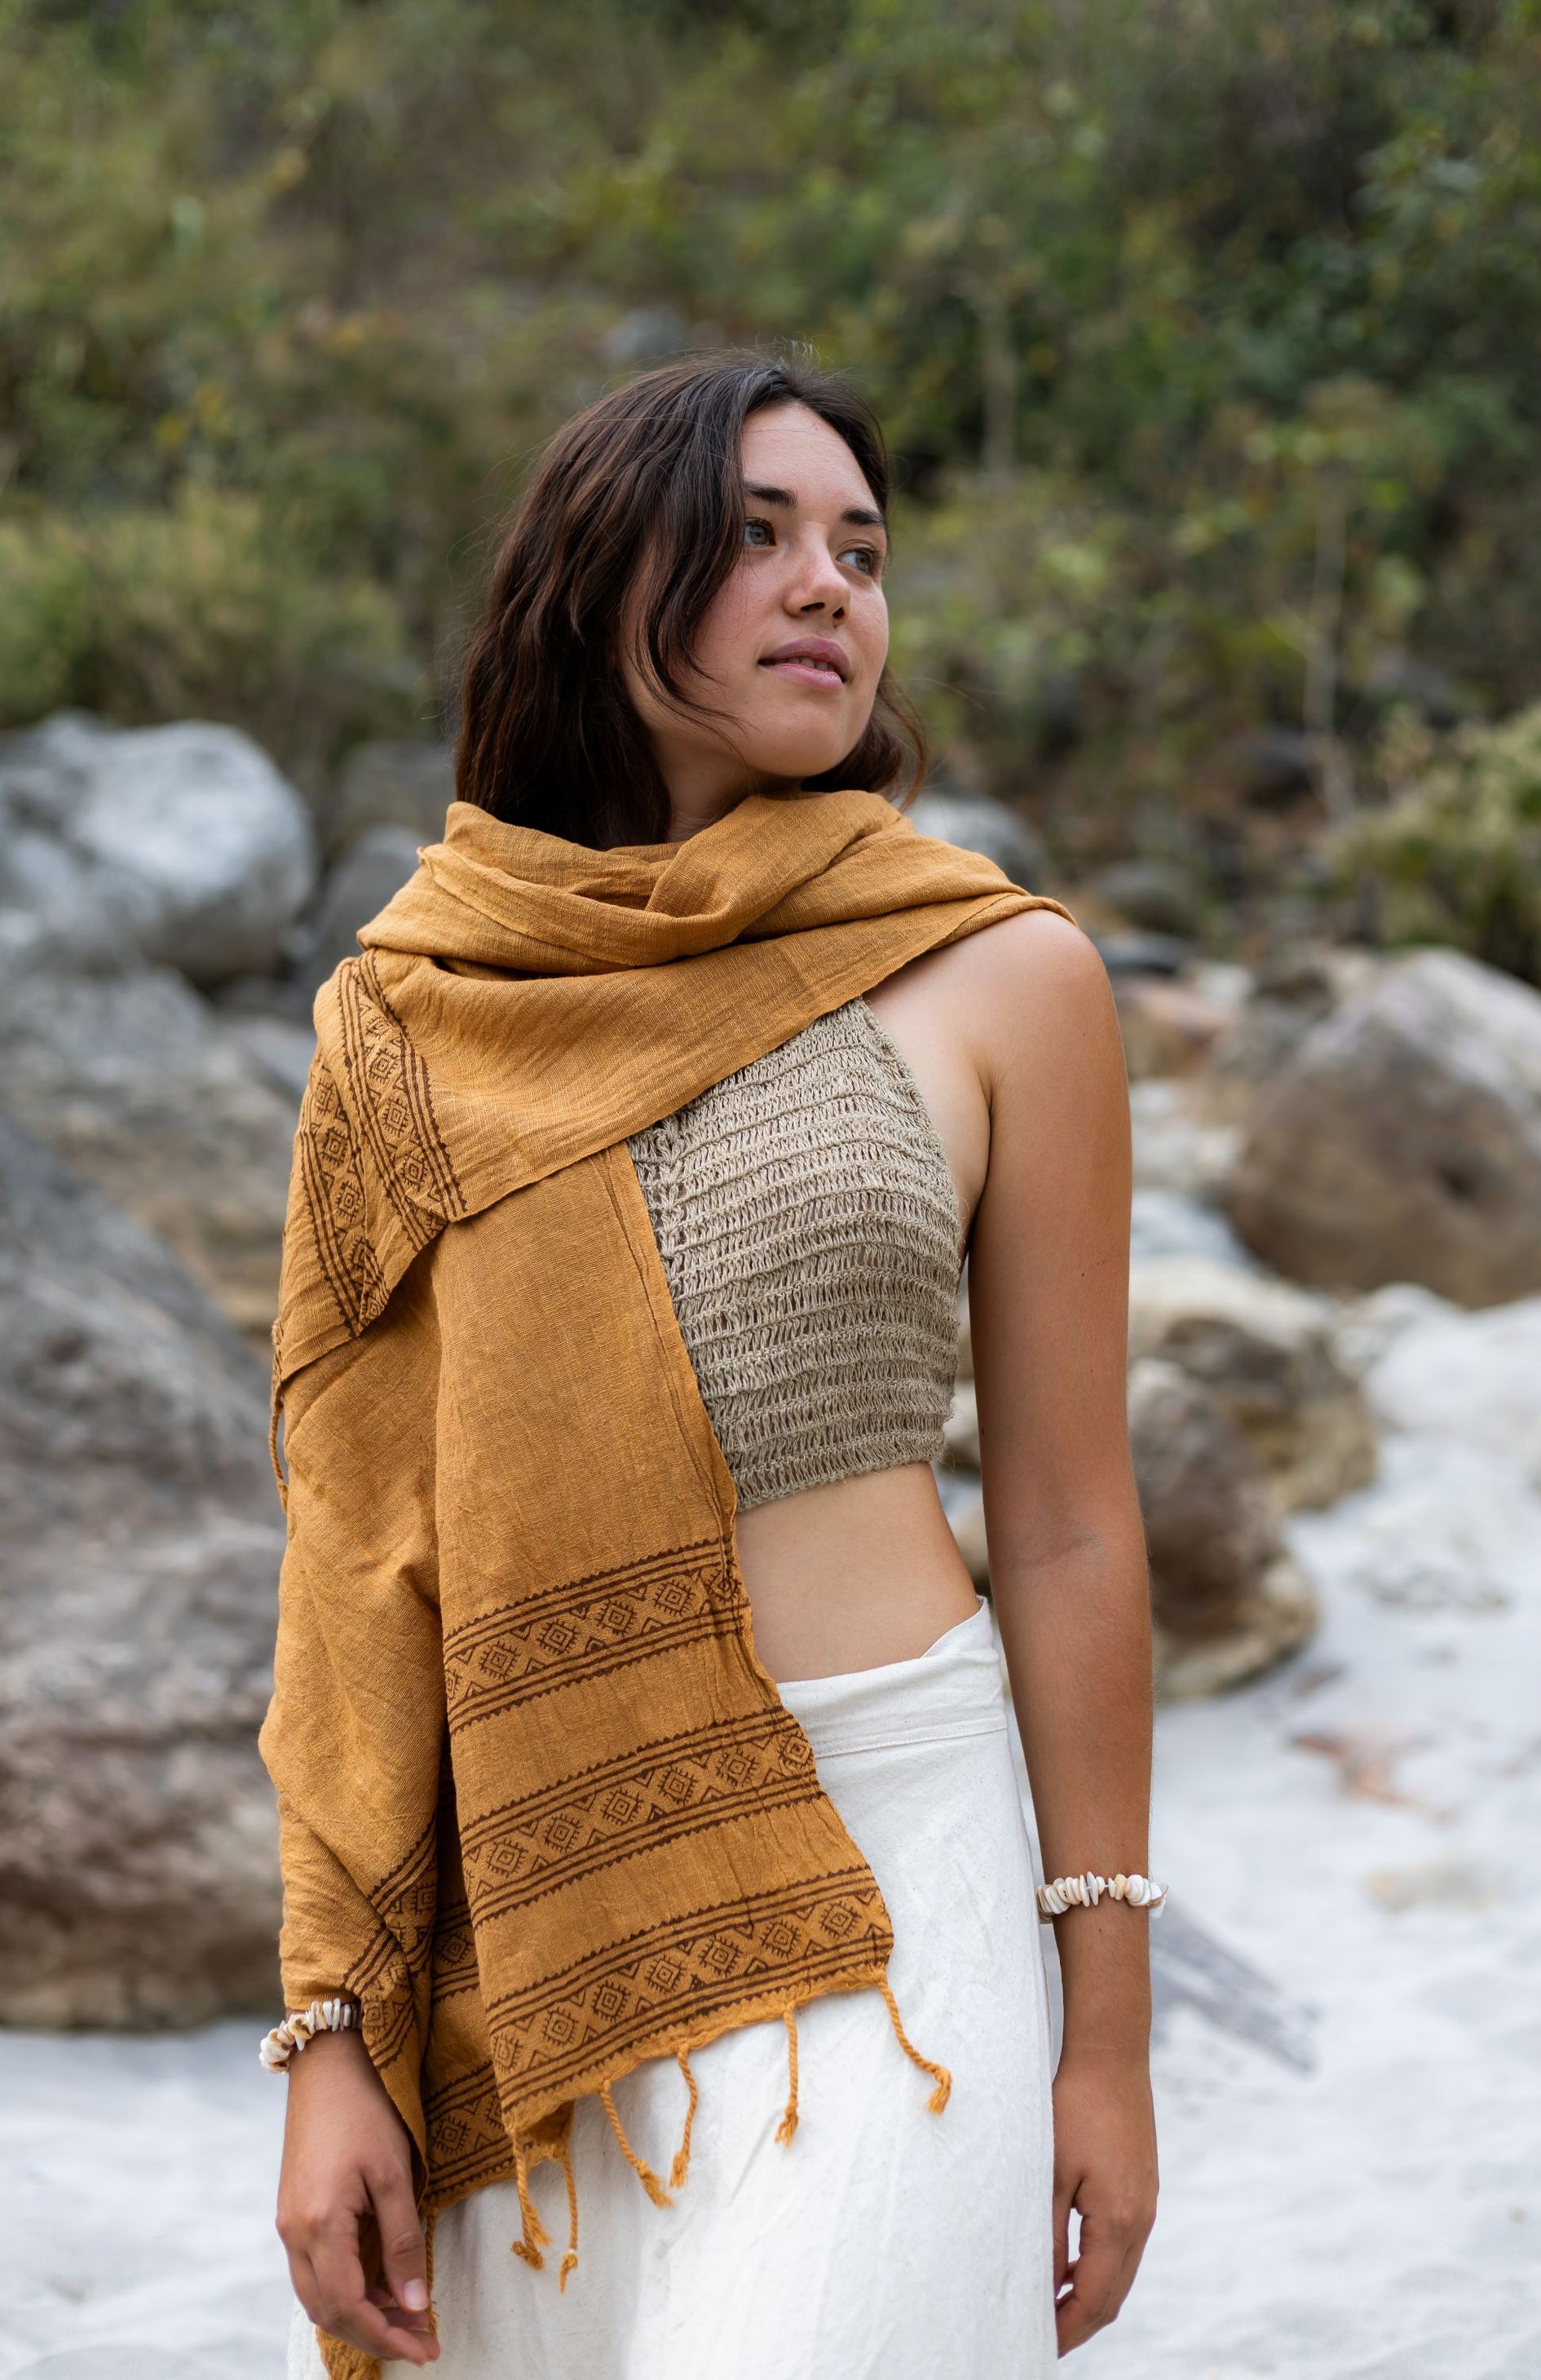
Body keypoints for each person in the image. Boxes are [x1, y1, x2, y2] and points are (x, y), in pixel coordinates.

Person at [264, 351, 1158, 2380]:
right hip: (543, 1905)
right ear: (598, 581)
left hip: (897, 1876)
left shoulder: (1000, 972)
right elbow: (352, 1561)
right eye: (753, 533)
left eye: (859, 545)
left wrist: (1103, 2031)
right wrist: (329, 2035)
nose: (825, 582)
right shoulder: (411, 1017)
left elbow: (1075, 1524)